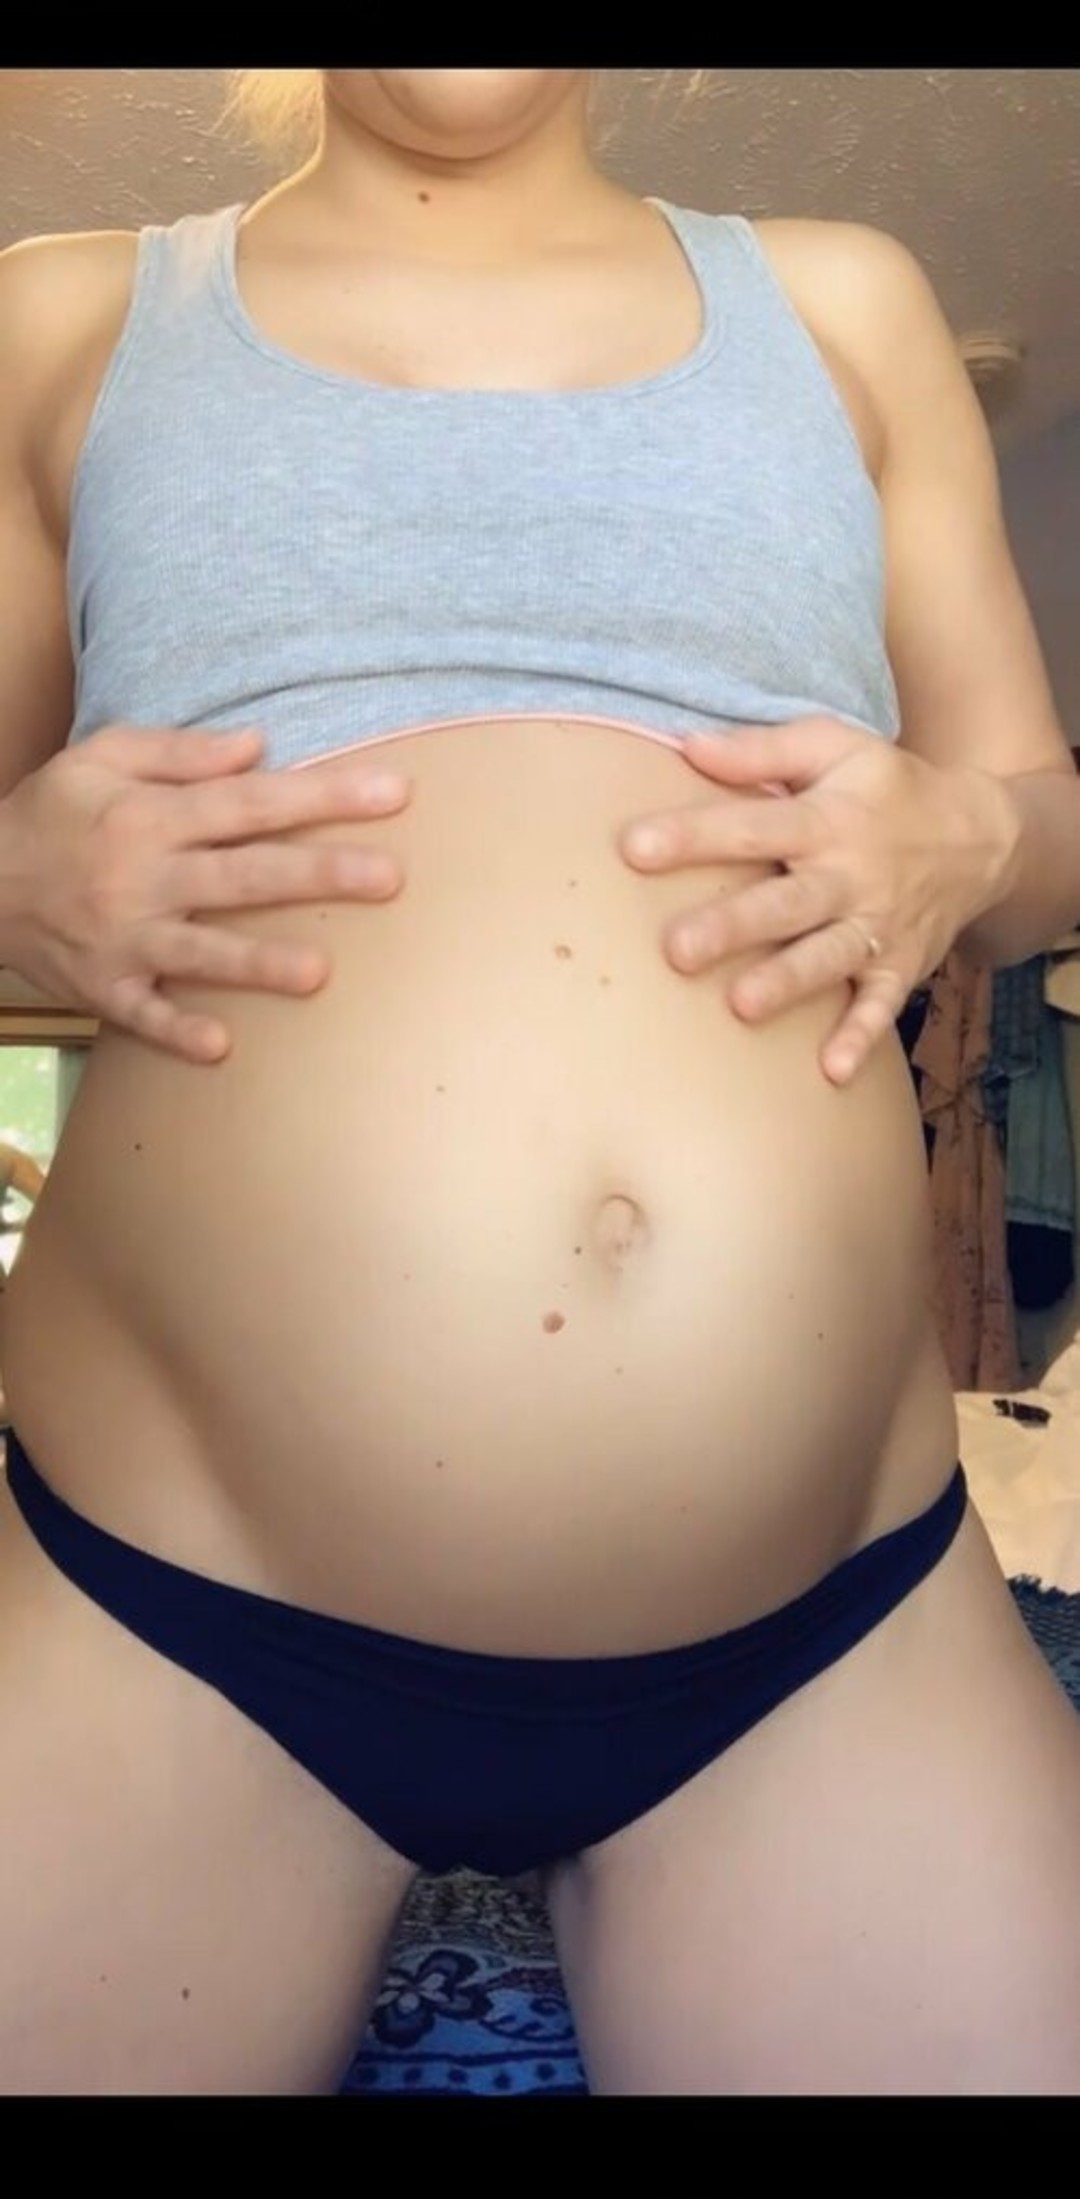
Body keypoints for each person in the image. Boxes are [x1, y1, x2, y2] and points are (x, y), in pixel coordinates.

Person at [0, 67, 1078, 2097]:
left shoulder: (846, 304)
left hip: (826, 1633)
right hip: (169, 1614)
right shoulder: (58, 315)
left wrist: (981, 834)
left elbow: (1043, 826)